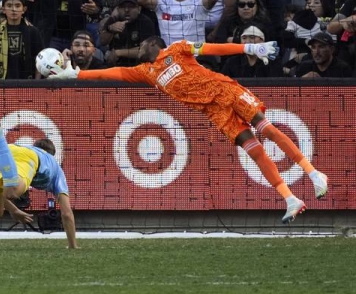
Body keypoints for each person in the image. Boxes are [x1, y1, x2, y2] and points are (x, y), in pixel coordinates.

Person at [50, 36, 328, 224]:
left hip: (224, 91)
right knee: (253, 150)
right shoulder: (147, 72)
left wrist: (249, 48)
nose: (139, 49)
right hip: (212, 110)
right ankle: (290, 199)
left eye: (142, 45)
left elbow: (212, 49)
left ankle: (314, 174)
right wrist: (77, 74)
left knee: (265, 129)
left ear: (153, 44)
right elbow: (114, 72)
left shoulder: (178, 48)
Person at [0, 114, 77, 251]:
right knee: (12, 191)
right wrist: (72, 246)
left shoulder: (26, 149)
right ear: (52, 154)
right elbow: (66, 213)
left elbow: (1, 194)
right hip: (16, 157)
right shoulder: (54, 167)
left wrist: (14, 210)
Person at [99, 0, 155, 67]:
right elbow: (102, 42)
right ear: (118, 9)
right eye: (123, 6)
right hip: (117, 64)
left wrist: (119, 52)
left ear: (139, 9)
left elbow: (146, 51)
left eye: (131, 6)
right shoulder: (113, 20)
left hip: (138, 65)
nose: (126, 10)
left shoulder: (145, 21)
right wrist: (110, 30)